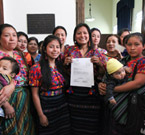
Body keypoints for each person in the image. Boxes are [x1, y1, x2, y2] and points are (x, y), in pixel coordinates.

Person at [99, 32, 145, 135]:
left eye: (136, 44)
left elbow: (137, 83)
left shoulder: (143, 62)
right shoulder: (121, 61)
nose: (132, 48)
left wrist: (111, 89)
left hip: (135, 108)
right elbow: (107, 77)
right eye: (129, 44)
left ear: (143, 46)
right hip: (115, 110)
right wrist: (101, 85)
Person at [64, 23, 106, 135]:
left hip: (91, 93)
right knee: (76, 123)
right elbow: (64, 71)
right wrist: (66, 63)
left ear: (89, 35)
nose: (82, 35)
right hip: (74, 93)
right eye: (79, 33)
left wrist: (100, 64)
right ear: (74, 36)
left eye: (85, 33)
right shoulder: (69, 50)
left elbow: (102, 73)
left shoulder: (97, 52)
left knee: (91, 124)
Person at [29, 35, 70, 135]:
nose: (55, 50)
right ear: (44, 49)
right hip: (47, 107)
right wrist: (41, 115)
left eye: (57, 47)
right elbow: (35, 95)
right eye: (51, 47)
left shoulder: (60, 66)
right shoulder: (36, 68)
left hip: (62, 106)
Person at [0, 23, 35, 135]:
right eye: (7, 35)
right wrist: (5, 104)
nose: (12, 38)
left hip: (24, 98)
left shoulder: (20, 55)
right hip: (8, 101)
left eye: (14, 35)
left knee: (25, 129)